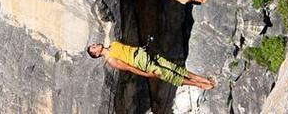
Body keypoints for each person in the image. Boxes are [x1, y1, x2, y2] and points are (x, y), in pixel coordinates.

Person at [86, 41, 215, 90]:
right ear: (97, 55)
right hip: (140, 63)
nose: (96, 45)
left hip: (143, 53)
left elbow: (129, 47)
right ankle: (198, 84)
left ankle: (199, 78)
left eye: (94, 45)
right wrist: (147, 74)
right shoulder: (111, 60)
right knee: (169, 75)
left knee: (173, 67)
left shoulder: (113, 44)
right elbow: (130, 68)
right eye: (94, 48)